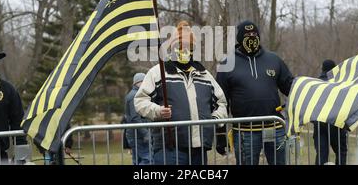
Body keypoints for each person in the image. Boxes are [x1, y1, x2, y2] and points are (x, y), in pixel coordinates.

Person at [134, 21, 228, 165]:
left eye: (188, 46)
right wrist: (158, 111)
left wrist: (214, 120)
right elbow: (140, 101)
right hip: (169, 149)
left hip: (199, 148)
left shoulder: (205, 75)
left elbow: (221, 103)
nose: (183, 49)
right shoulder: (158, 73)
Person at [216, 20, 294, 165]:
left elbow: (291, 87)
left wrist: (307, 91)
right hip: (245, 131)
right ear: (239, 39)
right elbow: (220, 101)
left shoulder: (274, 59)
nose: (251, 37)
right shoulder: (227, 64)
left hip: (275, 128)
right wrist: (220, 134)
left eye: (254, 34)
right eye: (247, 35)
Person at [313, 60, 348, 165]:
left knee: (321, 154)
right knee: (341, 152)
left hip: (319, 123)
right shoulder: (340, 83)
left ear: (322, 69)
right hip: (336, 122)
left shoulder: (315, 84)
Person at [124, 73, 151, 165]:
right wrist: (145, 133)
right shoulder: (134, 96)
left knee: (138, 160)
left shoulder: (137, 95)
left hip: (136, 133)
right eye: (144, 81)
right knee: (148, 159)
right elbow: (135, 118)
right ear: (138, 82)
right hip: (138, 135)